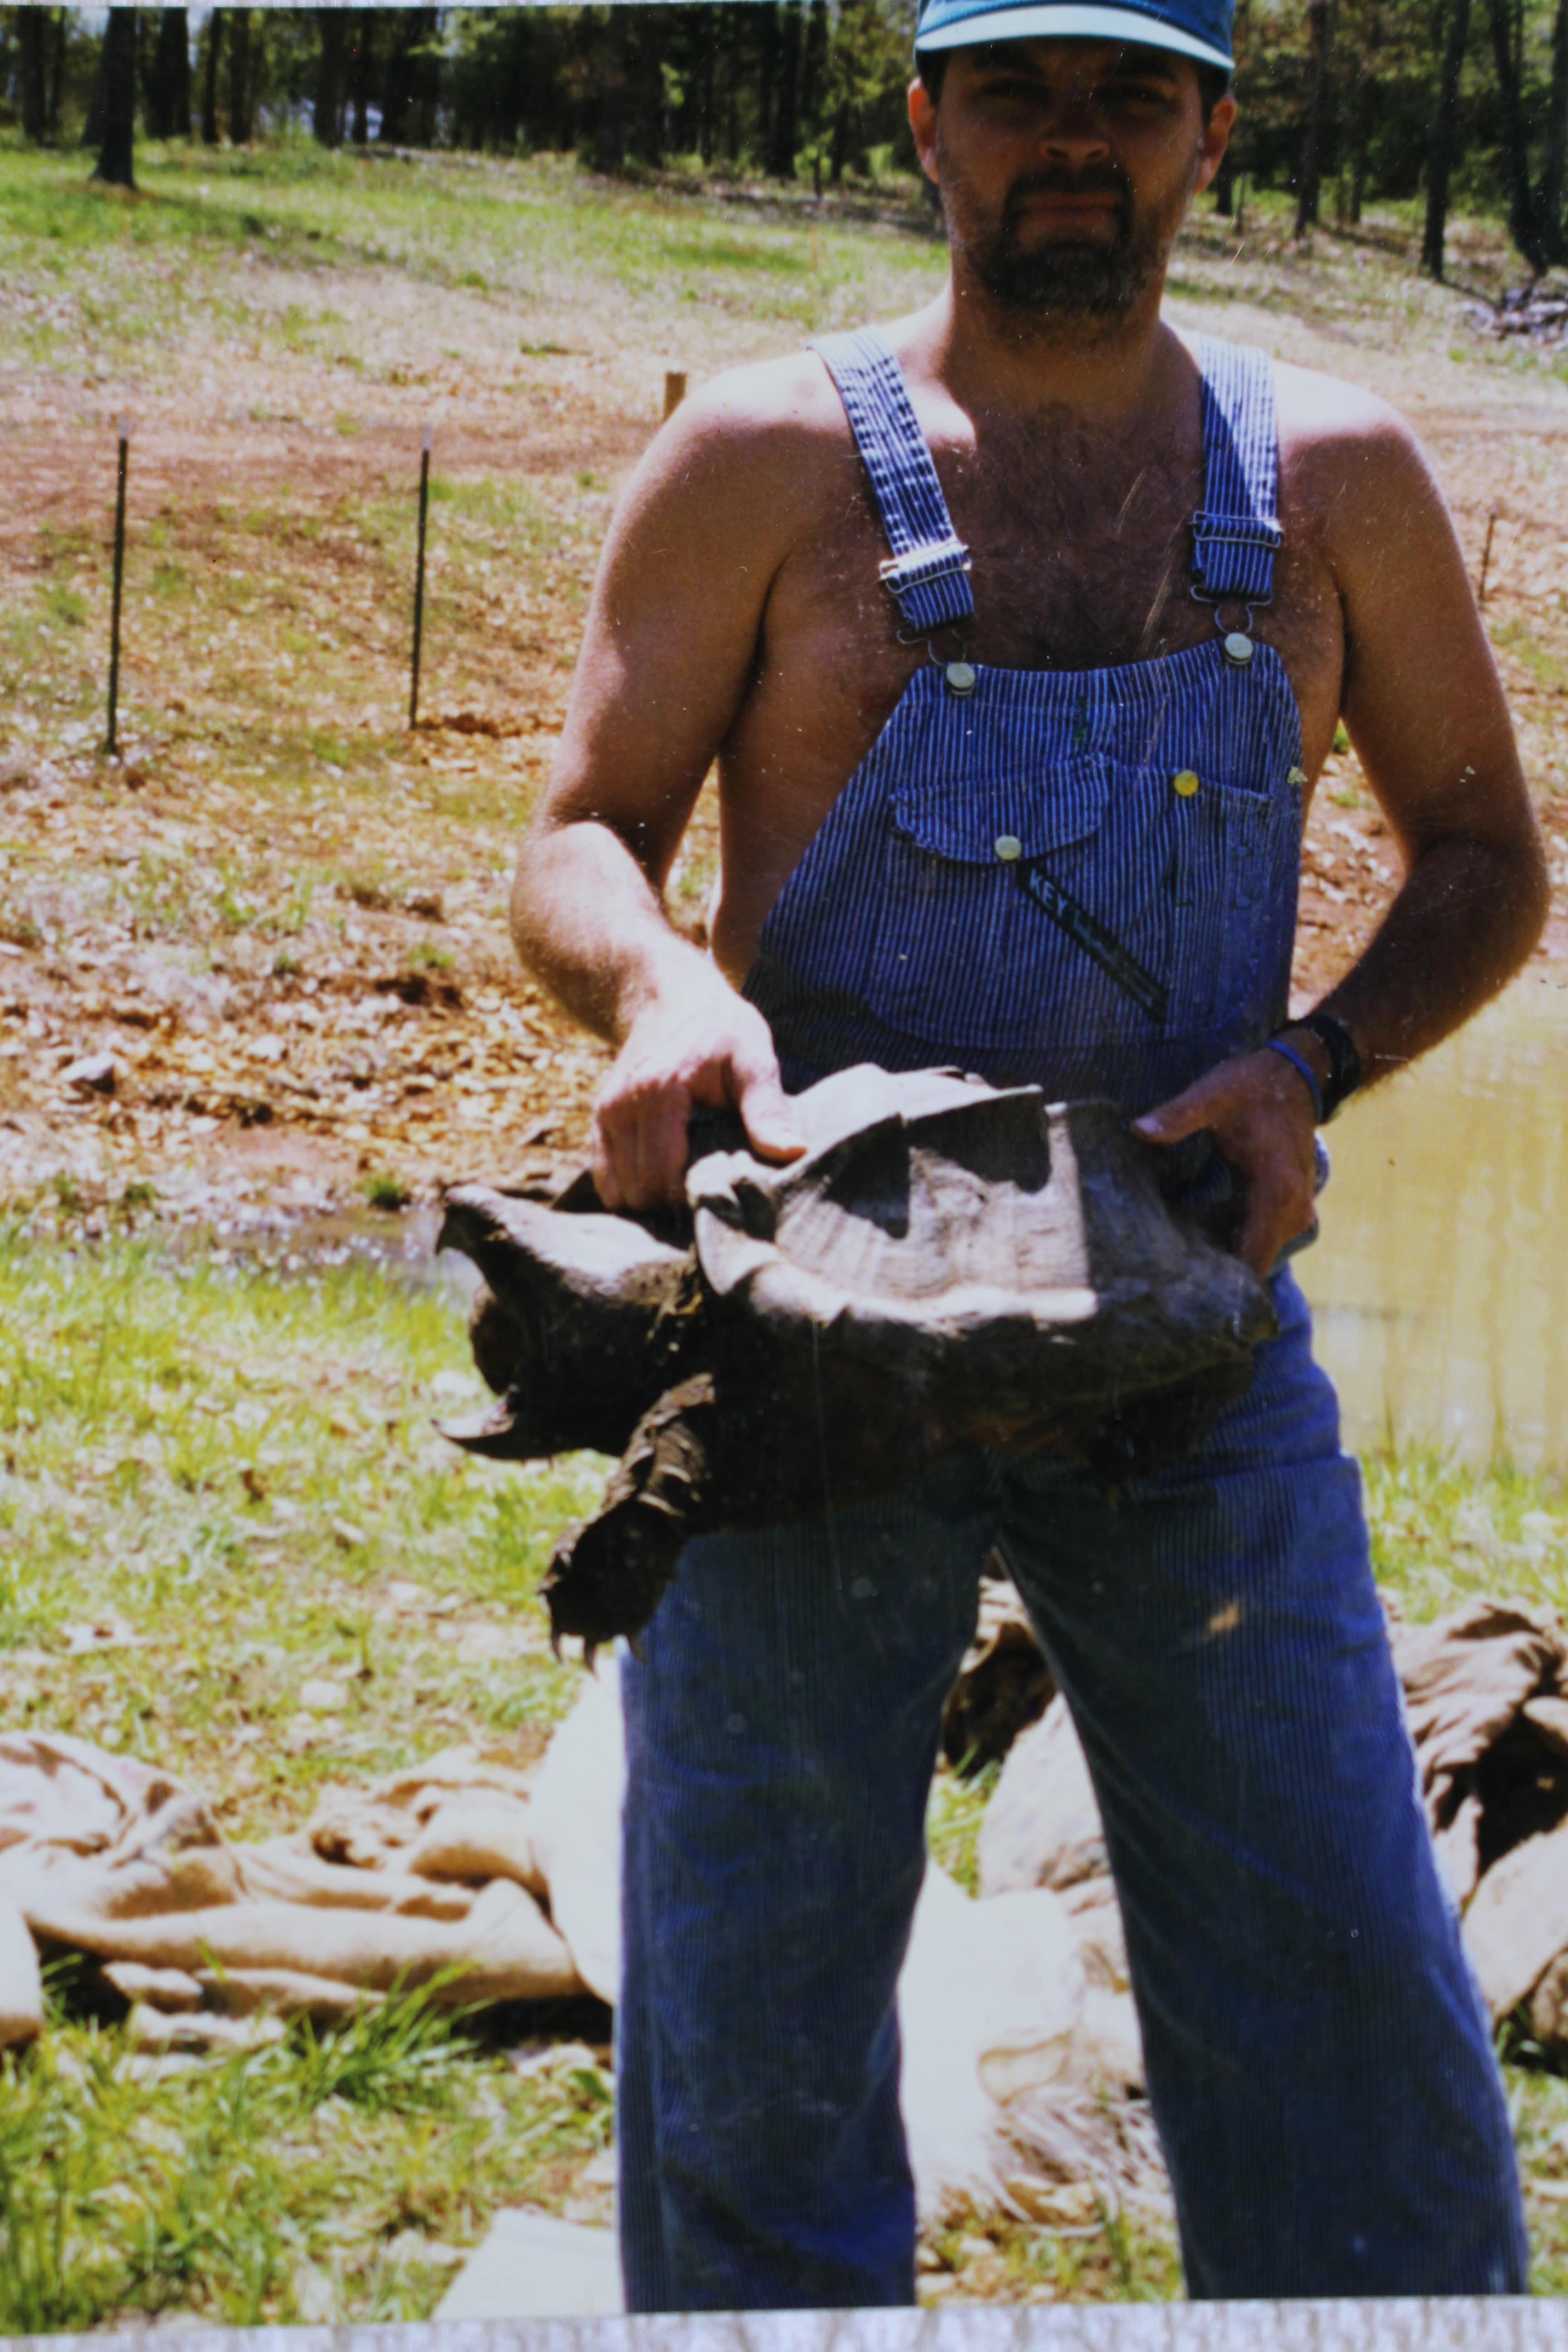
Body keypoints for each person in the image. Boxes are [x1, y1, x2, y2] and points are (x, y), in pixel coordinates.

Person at [511, 0, 1548, 2307]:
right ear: (926, 123)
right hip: (799, 1354)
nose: (1072, 142)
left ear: (1211, 132)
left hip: (1188, 1337)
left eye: (1130, 94)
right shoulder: (765, 458)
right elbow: (580, 835)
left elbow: (1486, 856)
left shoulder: (1343, 475)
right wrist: (665, 989)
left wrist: (1313, 1060)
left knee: (1342, 1992)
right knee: (758, 2012)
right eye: (1017, 90)